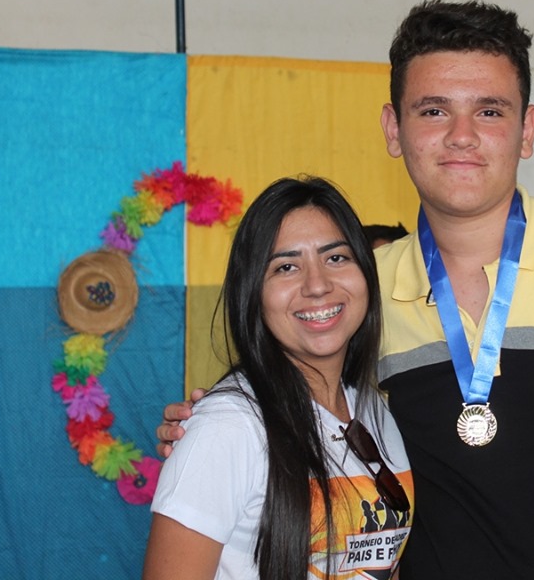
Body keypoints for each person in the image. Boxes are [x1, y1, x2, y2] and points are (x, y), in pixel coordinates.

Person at [158, 0, 534, 578]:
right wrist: (211, 431)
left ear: (527, 130)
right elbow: (303, 405)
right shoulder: (361, 291)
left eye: (489, 111)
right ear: (394, 129)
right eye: (434, 111)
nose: (462, 136)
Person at [143, 177, 413, 580]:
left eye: (336, 257)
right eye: (286, 267)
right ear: (253, 293)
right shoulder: (227, 426)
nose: (317, 285)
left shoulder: (375, 410)